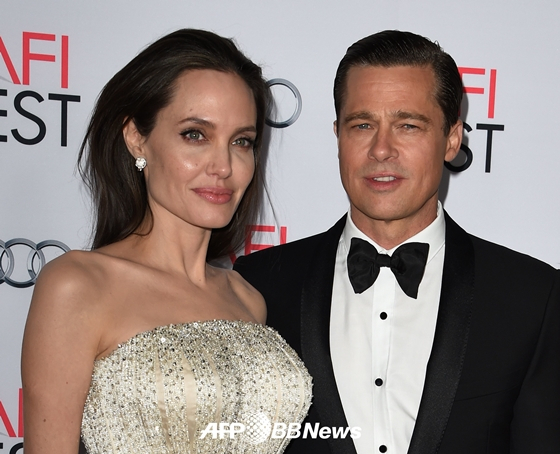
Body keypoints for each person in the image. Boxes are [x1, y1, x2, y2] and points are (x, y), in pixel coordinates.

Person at [234, 30, 560, 454]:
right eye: (362, 125)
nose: (381, 149)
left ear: (452, 139)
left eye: (408, 125)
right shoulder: (257, 286)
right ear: (338, 136)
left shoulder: (531, 297)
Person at [21, 29, 311, 454]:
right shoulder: (78, 286)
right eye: (195, 134)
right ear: (136, 138)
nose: (223, 166)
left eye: (241, 141)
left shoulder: (247, 299)